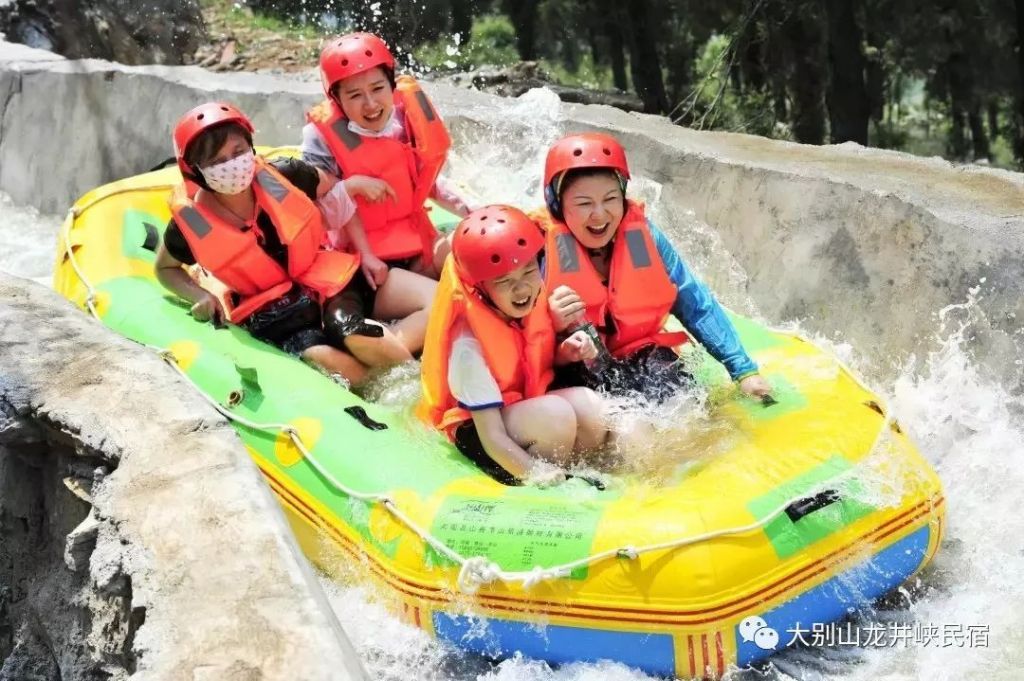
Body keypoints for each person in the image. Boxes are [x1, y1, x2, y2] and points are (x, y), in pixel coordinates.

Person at [154, 102, 421, 386]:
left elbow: (336, 190)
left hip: (324, 280)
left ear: (250, 147)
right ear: (193, 170)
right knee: (321, 356)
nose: (231, 165)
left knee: (354, 331)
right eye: (217, 162)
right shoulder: (189, 225)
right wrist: (199, 296)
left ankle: (415, 381)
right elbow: (165, 269)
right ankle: (383, 392)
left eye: (237, 152)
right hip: (273, 311)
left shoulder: (287, 174)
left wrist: (365, 251)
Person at [534, 132, 773, 403]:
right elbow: (517, 341)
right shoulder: (537, 249)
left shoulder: (641, 238)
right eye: (584, 204)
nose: (599, 215)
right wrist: (550, 322)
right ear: (557, 205)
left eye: (611, 199)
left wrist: (743, 370)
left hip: (643, 352)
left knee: (688, 407)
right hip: (574, 364)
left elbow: (692, 300)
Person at [418, 206, 610, 485]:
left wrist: (564, 353)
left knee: (592, 408)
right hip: (479, 431)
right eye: (504, 281)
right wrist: (541, 477)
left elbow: (529, 361)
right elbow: (493, 438)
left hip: (519, 408)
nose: (521, 289)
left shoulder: (530, 300)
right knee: (556, 416)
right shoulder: (467, 346)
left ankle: (577, 471)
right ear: (479, 289)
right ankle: (534, 483)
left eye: (529, 272)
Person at [303, 31, 472, 281]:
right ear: (336, 100)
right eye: (355, 95)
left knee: (472, 253)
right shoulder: (319, 138)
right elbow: (319, 214)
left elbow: (428, 181)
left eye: (378, 88)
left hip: (418, 245)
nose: (370, 104)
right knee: (433, 296)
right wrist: (351, 186)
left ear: (391, 85)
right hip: (364, 264)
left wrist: (475, 212)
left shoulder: (405, 119)